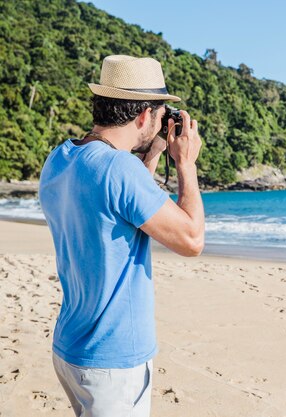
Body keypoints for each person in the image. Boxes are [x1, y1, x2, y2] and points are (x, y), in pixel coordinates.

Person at [39, 55, 205, 417]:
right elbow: (191, 240)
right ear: (144, 116)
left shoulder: (62, 157)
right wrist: (186, 165)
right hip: (111, 361)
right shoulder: (120, 170)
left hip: (72, 346)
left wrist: (155, 150)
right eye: (160, 114)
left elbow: (122, 205)